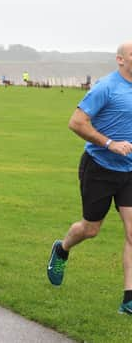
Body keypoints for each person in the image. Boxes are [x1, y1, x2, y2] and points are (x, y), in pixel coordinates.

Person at [47, 41, 132, 315]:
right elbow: (76, 122)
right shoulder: (106, 87)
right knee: (91, 229)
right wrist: (110, 143)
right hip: (99, 167)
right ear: (120, 59)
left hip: (130, 171)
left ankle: (129, 299)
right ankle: (62, 248)